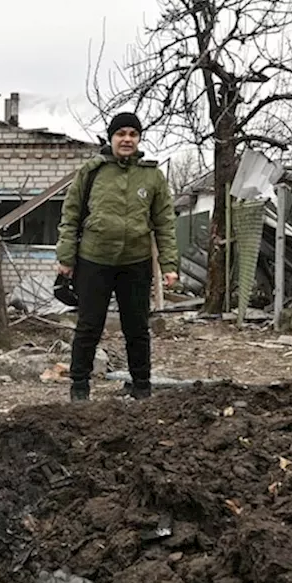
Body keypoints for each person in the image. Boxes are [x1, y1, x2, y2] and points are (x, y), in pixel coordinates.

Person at [55, 112, 178, 401]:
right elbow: (70, 215)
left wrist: (169, 265)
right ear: (111, 138)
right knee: (89, 326)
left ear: (138, 139)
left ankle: (142, 386)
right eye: (121, 134)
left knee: (137, 328)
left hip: (135, 263)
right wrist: (66, 258)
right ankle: (80, 387)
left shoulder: (152, 176)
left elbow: (165, 223)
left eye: (132, 134)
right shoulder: (92, 171)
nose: (126, 139)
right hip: (94, 260)